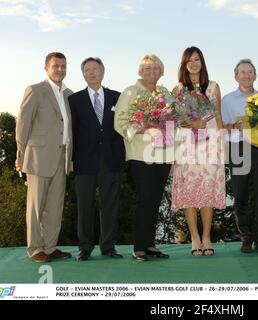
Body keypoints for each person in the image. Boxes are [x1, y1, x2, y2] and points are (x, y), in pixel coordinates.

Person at [15, 52, 73, 262]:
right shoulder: (35, 90)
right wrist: (20, 154)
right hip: (38, 156)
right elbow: (23, 124)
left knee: (55, 206)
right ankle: (35, 248)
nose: (60, 69)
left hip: (62, 156)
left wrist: (71, 156)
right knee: (35, 206)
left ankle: (50, 247)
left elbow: (69, 129)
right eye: (56, 66)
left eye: (63, 66)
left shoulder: (69, 94)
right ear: (46, 68)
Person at [114, 54, 171, 261]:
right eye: (147, 68)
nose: (152, 72)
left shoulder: (165, 93)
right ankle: (138, 246)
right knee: (145, 199)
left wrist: (171, 157)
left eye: (156, 68)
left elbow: (172, 123)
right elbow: (119, 123)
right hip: (140, 154)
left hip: (163, 156)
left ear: (161, 71)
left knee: (155, 200)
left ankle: (150, 244)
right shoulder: (130, 92)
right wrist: (143, 129)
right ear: (140, 71)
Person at [68, 57, 125, 261]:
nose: (91, 73)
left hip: (110, 159)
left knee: (110, 204)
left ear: (102, 71)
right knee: (85, 206)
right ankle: (85, 248)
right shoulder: (74, 100)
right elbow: (72, 131)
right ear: (83, 74)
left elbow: (122, 128)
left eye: (94, 69)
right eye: (87, 70)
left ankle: (108, 247)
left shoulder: (117, 97)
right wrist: (72, 158)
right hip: (84, 160)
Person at [171, 46, 225, 256]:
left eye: (196, 59)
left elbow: (218, 116)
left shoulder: (213, 87)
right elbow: (174, 120)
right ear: (184, 65)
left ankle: (207, 236)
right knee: (190, 191)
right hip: (186, 146)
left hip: (210, 145)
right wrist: (191, 125)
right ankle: (194, 236)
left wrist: (222, 146)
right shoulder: (178, 89)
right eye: (189, 60)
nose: (193, 63)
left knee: (207, 190)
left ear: (202, 62)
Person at [221, 59, 258, 254]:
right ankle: (246, 237)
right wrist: (235, 126)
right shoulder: (227, 100)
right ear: (236, 76)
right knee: (240, 195)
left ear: (255, 76)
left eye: (250, 72)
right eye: (243, 72)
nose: (247, 75)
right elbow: (222, 126)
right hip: (237, 148)